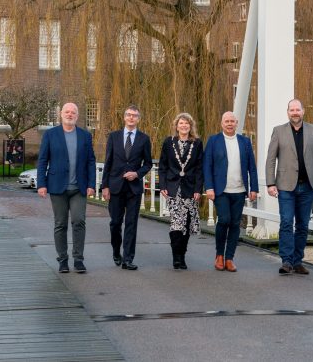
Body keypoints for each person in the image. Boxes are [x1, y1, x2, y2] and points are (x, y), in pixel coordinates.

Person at [265, 98, 313, 276]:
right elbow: (271, 159)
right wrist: (270, 183)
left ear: (303, 111)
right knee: (286, 222)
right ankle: (286, 261)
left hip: (307, 186)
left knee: (303, 225)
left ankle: (297, 260)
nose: (295, 113)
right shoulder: (278, 131)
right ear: (288, 112)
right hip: (285, 186)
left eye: (297, 110)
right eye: (292, 110)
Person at [37, 102, 97, 274]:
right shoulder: (50, 135)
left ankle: (78, 259)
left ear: (77, 116)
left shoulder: (85, 136)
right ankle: (62, 260)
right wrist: (41, 184)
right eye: (67, 112)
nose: (70, 115)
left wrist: (92, 184)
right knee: (60, 224)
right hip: (57, 187)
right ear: (61, 114)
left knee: (79, 221)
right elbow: (42, 161)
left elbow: (91, 161)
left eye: (73, 112)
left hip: (79, 187)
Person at [100, 105, 154, 270]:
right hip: (115, 186)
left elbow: (148, 163)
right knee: (115, 223)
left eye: (135, 116)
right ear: (124, 117)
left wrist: (137, 174)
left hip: (134, 188)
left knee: (131, 223)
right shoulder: (114, 137)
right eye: (129, 115)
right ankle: (117, 252)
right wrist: (105, 186)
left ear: (138, 119)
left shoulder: (144, 139)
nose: (131, 118)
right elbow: (108, 162)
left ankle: (128, 259)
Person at [203, 111, 258, 272]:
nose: (229, 124)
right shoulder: (214, 141)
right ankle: (219, 255)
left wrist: (253, 188)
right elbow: (207, 166)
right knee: (224, 219)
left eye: (232, 121)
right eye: (226, 121)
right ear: (221, 123)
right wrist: (209, 187)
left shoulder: (245, 142)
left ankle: (229, 258)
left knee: (235, 223)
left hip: (239, 190)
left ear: (236, 123)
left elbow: (252, 168)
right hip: (221, 190)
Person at [158, 112, 203, 269]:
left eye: (187, 124)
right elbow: (162, 165)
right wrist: (162, 185)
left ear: (191, 127)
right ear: (176, 126)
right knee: (177, 223)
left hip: (190, 189)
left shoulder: (197, 143)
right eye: (181, 123)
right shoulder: (168, 142)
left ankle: (182, 255)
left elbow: (199, 168)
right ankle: (176, 257)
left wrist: (198, 189)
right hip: (173, 188)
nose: (184, 126)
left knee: (187, 223)